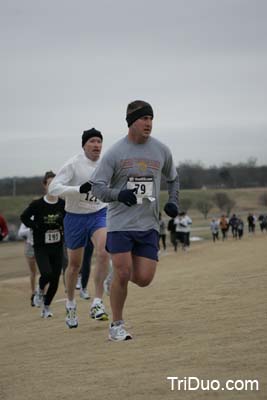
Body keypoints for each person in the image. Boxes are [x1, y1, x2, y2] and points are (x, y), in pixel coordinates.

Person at [91, 100, 179, 341]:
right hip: (120, 224)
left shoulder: (161, 150)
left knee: (144, 278)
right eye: (144, 119)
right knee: (123, 271)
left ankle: (115, 275)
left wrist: (173, 201)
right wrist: (119, 194)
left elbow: (173, 178)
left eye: (151, 118)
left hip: (148, 224)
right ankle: (116, 326)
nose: (148, 123)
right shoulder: (115, 153)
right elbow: (97, 187)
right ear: (132, 122)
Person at [48, 128, 109, 328]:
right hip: (74, 217)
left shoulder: (106, 162)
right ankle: (71, 303)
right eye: (92, 141)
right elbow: (54, 188)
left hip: (99, 213)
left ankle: (98, 302)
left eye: (99, 141)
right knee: (74, 265)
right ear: (84, 145)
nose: (97, 145)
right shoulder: (73, 164)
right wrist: (77, 190)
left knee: (103, 251)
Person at [20, 171, 65, 318]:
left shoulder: (63, 204)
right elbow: (24, 217)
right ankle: (39, 290)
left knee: (55, 278)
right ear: (45, 186)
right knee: (46, 273)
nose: (52, 186)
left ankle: (46, 307)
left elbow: (68, 220)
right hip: (41, 246)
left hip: (57, 246)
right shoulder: (37, 204)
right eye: (49, 183)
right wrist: (35, 225)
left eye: (55, 183)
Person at [18, 223, 38, 306]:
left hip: (42, 246)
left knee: (46, 272)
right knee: (33, 272)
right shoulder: (28, 218)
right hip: (30, 246)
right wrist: (30, 230)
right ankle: (33, 294)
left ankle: (43, 293)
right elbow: (20, 233)